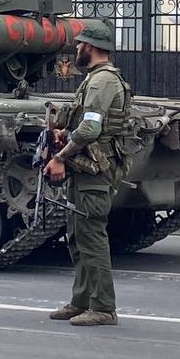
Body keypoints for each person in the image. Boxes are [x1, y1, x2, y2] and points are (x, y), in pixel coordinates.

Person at [44, 20, 131, 327]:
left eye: (80, 44)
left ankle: (104, 307)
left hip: (95, 170)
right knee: (77, 236)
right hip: (86, 169)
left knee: (92, 237)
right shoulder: (96, 79)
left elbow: (92, 128)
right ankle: (81, 300)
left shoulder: (101, 82)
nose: (77, 49)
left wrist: (59, 157)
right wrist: (63, 132)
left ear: (91, 47)